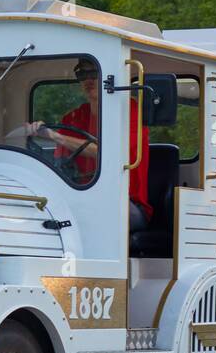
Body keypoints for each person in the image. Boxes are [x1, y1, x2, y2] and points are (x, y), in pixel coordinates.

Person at [25, 59, 152, 232]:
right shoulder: (72, 117)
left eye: (95, 72)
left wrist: (54, 136)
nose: (88, 79)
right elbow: (61, 164)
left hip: (126, 202)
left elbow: (109, 153)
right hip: (80, 194)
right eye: (82, 74)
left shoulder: (131, 111)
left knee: (98, 212)